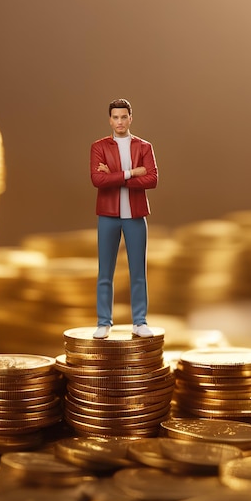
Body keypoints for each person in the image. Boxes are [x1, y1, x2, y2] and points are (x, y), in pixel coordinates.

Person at [90, 98, 158, 339]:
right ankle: (103, 322)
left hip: (136, 216)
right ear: (110, 120)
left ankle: (140, 321)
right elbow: (98, 181)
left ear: (130, 118)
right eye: (115, 117)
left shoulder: (144, 147)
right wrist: (131, 172)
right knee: (105, 271)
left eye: (123, 117)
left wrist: (115, 175)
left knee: (138, 271)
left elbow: (152, 179)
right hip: (108, 215)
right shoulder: (99, 147)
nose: (119, 121)